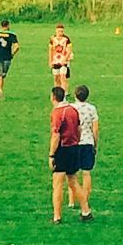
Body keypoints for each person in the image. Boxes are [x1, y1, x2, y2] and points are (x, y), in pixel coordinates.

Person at [49, 86, 91, 224]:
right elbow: (79, 129)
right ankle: (86, 210)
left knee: (58, 183)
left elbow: (56, 135)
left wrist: (51, 155)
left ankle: (57, 216)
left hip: (62, 149)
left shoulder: (57, 113)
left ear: (54, 97)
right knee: (73, 181)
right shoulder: (73, 110)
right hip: (74, 148)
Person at [68, 84, 99, 210]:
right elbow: (95, 128)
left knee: (72, 174)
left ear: (75, 95)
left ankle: (71, 201)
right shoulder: (92, 109)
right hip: (87, 142)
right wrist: (95, 143)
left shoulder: (71, 108)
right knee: (86, 173)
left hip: (74, 143)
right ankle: (84, 199)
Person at [0, 20, 19, 100]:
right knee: (2, 75)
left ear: (1, 25)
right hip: (7, 58)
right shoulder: (12, 34)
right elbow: (17, 47)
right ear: (8, 25)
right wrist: (12, 54)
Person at [48, 24, 73, 94]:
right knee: (56, 77)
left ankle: (64, 92)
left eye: (62, 31)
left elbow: (69, 50)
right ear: (56, 31)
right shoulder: (52, 39)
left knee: (63, 76)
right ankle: (57, 91)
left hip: (63, 61)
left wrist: (65, 59)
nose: (60, 33)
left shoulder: (66, 39)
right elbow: (50, 50)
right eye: (59, 31)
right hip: (55, 60)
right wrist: (50, 61)